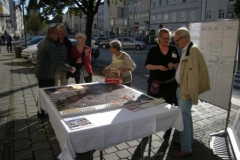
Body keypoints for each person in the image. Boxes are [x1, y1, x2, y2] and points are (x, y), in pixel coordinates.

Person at [131, 28, 180, 160]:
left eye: (168, 38)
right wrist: (158, 67)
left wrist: (173, 64)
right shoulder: (153, 50)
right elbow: (147, 65)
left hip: (170, 85)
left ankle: (167, 134)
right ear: (159, 38)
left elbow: (178, 63)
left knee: (169, 108)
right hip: (155, 85)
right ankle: (147, 131)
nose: (167, 41)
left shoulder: (174, 49)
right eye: (164, 38)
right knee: (151, 108)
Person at [171, 27, 210, 158]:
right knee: (186, 117)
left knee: (184, 119)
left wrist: (188, 93)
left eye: (177, 40)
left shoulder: (192, 50)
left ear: (185, 38)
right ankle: (187, 140)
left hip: (184, 90)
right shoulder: (188, 49)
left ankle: (186, 148)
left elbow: (193, 76)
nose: (176, 43)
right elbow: (186, 69)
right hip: (182, 88)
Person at [35, 26, 76, 115]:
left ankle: (40, 111)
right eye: (57, 34)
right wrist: (70, 68)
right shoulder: (51, 45)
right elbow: (57, 62)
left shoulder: (42, 42)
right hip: (46, 73)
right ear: (52, 34)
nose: (58, 36)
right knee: (48, 93)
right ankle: (44, 112)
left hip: (41, 71)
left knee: (43, 92)